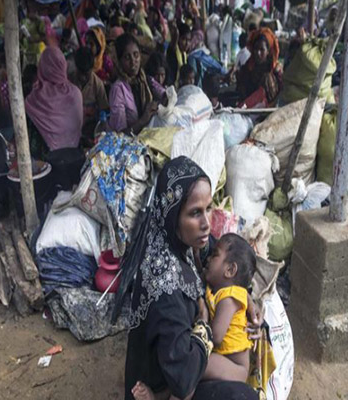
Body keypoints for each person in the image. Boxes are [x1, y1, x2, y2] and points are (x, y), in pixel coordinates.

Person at [116, 156, 259, 400]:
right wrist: (203, 325)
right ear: (173, 216)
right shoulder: (166, 288)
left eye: (208, 208)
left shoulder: (185, 240)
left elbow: (230, 268)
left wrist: (248, 303)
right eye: (195, 213)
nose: (206, 224)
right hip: (165, 380)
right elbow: (182, 381)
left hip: (183, 358)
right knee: (243, 396)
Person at [132, 233, 256, 400]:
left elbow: (217, 336)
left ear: (230, 270)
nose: (209, 259)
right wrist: (197, 256)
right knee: (192, 367)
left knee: (193, 368)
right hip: (223, 358)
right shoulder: (217, 289)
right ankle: (162, 396)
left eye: (214, 255)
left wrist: (201, 322)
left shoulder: (230, 298)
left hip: (235, 367)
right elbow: (198, 275)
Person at [25, 46, 84, 159]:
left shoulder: (35, 98)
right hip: (74, 157)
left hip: (46, 161)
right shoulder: (75, 93)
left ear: (42, 68)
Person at [109, 33, 157, 134]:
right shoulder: (118, 89)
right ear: (119, 61)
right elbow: (120, 135)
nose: (133, 62)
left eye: (136, 55)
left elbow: (164, 93)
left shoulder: (145, 80)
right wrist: (144, 120)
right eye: (127, 57)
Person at [73, 46, 109, 147]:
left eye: (86, 74)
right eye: (80, 73)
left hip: (89, 131)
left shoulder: (98, 84)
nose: (82, 77)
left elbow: (104, 110)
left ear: (92, 69)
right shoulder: (69, 80)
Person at [237, 27, 281, 107]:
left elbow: (282, 92)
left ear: (268, 51)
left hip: (269, 108)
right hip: (249, 107)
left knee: (267, 78)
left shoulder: (275, 69)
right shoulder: (248, 66)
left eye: (262, 50)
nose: (258, 53)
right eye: (256, 49)